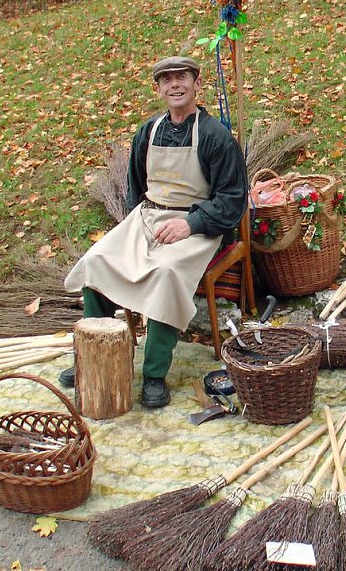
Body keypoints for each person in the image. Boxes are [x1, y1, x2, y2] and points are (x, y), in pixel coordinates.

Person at [63, 55, 248, 408]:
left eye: (182, 77)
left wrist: (191, 223)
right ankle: (92, 351)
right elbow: (135, 186)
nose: (175, 84)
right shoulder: (148, 131)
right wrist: (138, 227)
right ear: (159, 88)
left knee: (165, 273)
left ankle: (153, 373)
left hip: (198, 225)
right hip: (148, 216)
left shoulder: (215, 136)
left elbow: (232, 199)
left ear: (196, 83)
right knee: (98, 260)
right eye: (167, 79)